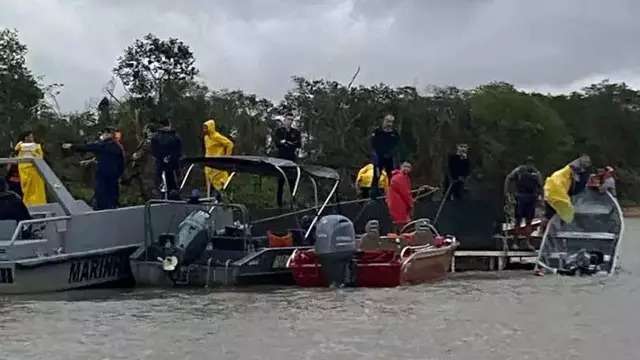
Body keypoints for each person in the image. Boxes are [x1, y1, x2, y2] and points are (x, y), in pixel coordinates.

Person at [62, 128, 125, 210]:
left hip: (103, 176)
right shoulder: (117, 147)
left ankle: (101, 211)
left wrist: (72, 146)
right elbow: (120, 161)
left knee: (101, 196)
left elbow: (87, 147)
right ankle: (113, 209)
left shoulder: (102, 145)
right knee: (112, 197)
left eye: (104, 133)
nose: (102, 135)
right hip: (114, 177)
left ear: (109, 135)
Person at [504, 156, 543, 246]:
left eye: (532, 163)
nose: (530, 164)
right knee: (518, 220)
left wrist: (541, 198)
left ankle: (527, 241)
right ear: (525, 163)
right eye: (529, 162)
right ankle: (515, 241)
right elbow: (508, 178)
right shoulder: (519, 170)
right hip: (521, 196)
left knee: (529, 221)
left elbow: (540, 186)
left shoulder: (536, 173)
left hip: (531, 197)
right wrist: (507, 193)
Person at [543, 155, 592, 224]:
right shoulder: (569, 173)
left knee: (550, 215)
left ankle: (544, 230)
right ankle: (555, 227)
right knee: (566, 213)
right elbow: (576, 185)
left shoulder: (563, 174)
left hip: (550, 192)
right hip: (556, 194)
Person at [273, 111, 302, 207]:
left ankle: (293, 203)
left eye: (291, 120)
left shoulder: (295, 132)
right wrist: (283, 143)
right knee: (280, 183)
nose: (290, 122)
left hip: (291, 160)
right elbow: (277, 143)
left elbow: (298, 144)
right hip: (281, 160)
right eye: (288, 120)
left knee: (292, 183)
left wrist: (289, 143)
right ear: (284, 120)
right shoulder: (279, 131)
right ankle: (279, 205)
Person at [370, 113, 400, 199]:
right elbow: (372, 143)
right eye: (387, 121)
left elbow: (397, 145)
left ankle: (393, 192)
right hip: (378, 157)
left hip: (389, 157)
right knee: (376, 175)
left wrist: (391, 153)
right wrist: (374, 154)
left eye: (391, 122)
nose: (389, 124)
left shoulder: (394, 133)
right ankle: (374, 194)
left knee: (391, 175)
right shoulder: (377, 131)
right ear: (384, 121)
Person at [151, 119, 183, 197]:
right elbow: (179, 151)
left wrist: (162, 158)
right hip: (173, 164)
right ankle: (175, 193)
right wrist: (171, 157)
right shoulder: (176, 136)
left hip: (160, 164)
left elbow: (154, 151)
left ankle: (160, 193)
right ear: (169, 124)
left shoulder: (155, 136)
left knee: (161, 181)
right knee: (173, 182)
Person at [14, 131, 47, 206]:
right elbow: (16, 154)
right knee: (27, 188)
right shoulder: (20, 145)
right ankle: (28, 203)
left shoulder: (37, 146)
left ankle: (39, 203)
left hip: (34, 169)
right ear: (26, 137)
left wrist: (33, 152)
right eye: (31, 136)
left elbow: (40, 157)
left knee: (36, 187)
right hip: (24, 169)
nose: (32, 138)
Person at [203, 119, 234, 194]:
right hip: (208, 165)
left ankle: (223, 199)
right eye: (203, 128)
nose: (204, 130)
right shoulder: (206, 138)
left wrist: (226, 157)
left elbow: (230, 144)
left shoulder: (217, 136)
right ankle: (209, 201)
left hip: (217, 165)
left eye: (206, 128)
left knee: (221, 185)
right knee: (209, 186)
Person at [386, 162, 414, 231]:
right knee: (401, 223)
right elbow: (405, 192)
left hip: (397, 203)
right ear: (401, 167)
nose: (406, 169)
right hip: (399, 204)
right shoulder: (400, 177)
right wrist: (411, 203)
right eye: (405, 167)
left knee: (398, 223)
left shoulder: (401, 177)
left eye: (408, 167)